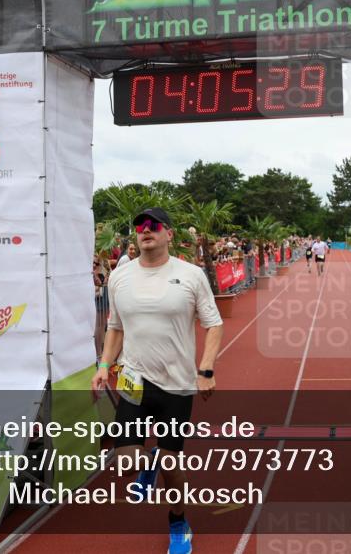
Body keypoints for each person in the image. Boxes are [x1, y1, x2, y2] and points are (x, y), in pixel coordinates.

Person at [92, 207, 224, 554]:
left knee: (172, 466)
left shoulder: (191, 275)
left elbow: (214, 324)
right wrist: (105, 365)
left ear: (168, 233)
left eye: (153, 225)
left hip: (176, 385)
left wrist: (206, 369)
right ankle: (146, 461)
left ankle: (178, 523)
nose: (144, 230)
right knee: (124, 462)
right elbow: (115, 327)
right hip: (134, 380)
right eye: (139, 226)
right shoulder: (120, 276)